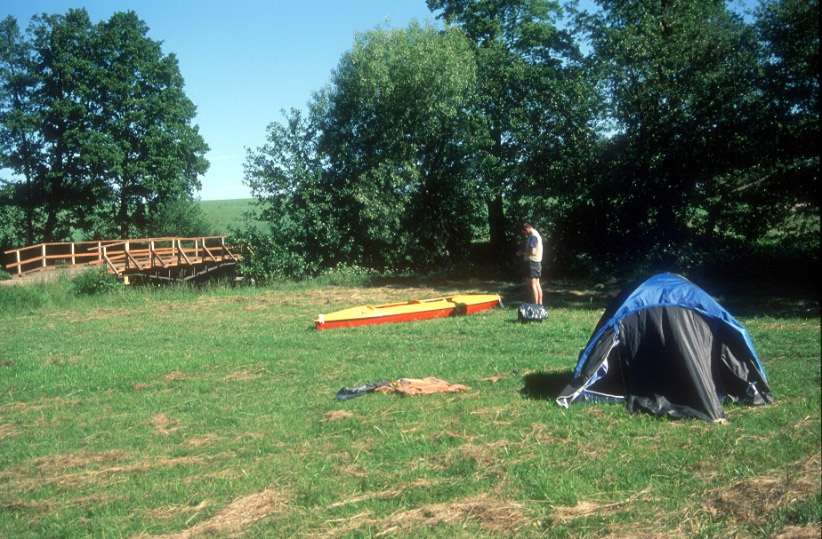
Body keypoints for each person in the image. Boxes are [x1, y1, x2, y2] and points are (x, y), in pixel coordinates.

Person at [516, 222, 543, 305]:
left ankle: (535, 306)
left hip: (532, 263)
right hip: (537, 263)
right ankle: (540, 305)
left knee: (533, 285)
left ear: (527, 229)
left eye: (524, 232)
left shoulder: (533, 236)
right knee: (537, 285)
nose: (525, 234)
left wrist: (522, 253)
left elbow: (532, 252)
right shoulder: (536, 234)